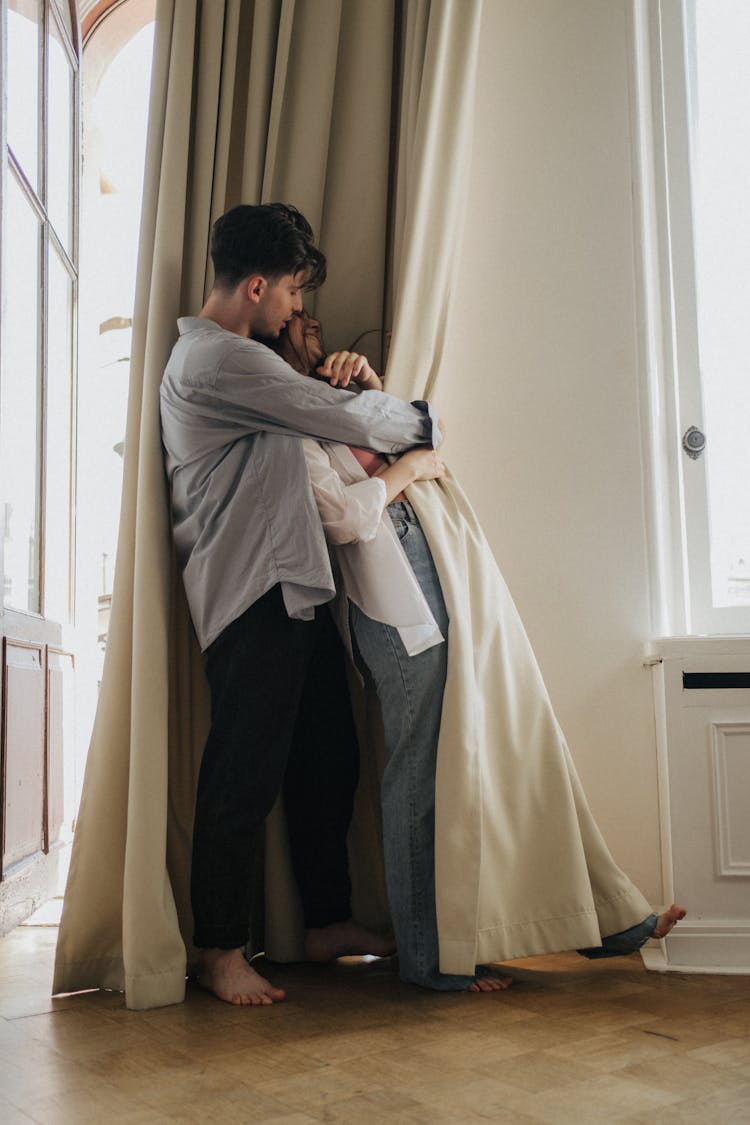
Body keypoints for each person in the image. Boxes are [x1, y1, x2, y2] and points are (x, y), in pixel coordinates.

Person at [270, 309, 686, 993]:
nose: (312, 319)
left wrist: (371, 386)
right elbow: (344, 515)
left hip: (448, 581)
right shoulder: (289, 417)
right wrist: (409, 465)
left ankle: (586, 920)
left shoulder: (335, 393)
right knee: (422, 779)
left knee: (498, 756)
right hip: (400, 601)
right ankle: (430, 955)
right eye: (298, 308)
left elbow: (427, 433)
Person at [159, 204, 444, 1007]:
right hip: (251, 590)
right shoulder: (216, 361)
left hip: (293, 583)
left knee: (327, 754)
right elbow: (341, 417)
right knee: (243, 770)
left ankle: (324, 922)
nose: (294, 310)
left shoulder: (242, 361)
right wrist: (428, 425)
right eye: (288, 292)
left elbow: (323, 423)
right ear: (256, 285)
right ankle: (218, 947)